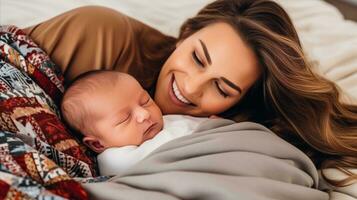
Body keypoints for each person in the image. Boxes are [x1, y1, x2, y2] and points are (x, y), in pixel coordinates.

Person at [24, 0, 357, 186]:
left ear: (238, 101)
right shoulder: (99, 37)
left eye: (222, 87)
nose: (191, 87)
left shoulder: (224, 127)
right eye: (197, 58)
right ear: (185, 34)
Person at [61, 70, 164, 153]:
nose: (145, 114)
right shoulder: (117, 160)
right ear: (97, 144)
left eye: (145, 101)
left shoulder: (170, 119)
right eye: (124, 119)